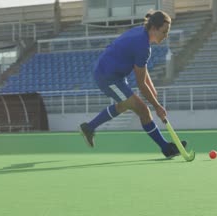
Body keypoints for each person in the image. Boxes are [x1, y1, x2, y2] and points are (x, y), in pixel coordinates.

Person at [80, 10, 187, 158]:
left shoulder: (142, 33)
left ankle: (89, 127)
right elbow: (141, 84)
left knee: (125, 105)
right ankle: (166, 148)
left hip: (114, 73)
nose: (166, 35)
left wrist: (152, 86)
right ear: (154, 28)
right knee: (143, 110)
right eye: (164, 31)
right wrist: (157, 106)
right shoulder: (143, 45)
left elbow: (141, 69)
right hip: (108, 76)